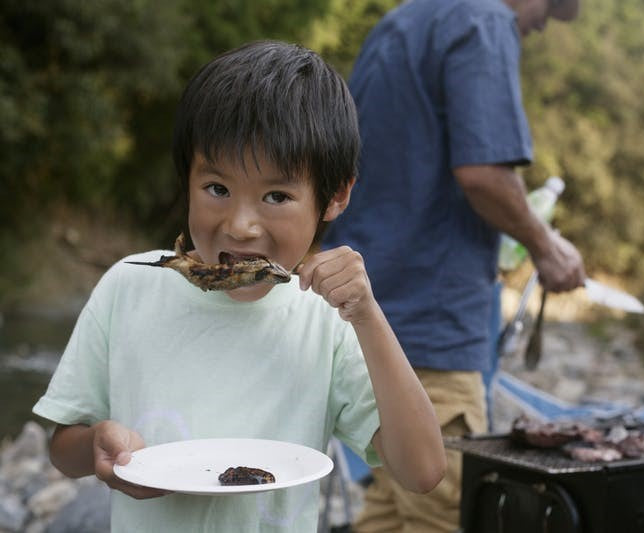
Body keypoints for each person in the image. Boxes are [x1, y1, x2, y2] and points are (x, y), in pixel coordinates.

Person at [32, 40, 445, 533]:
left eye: (276, 195)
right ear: (186, 178)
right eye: (217, 189)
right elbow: (63, 448)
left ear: (335, 197)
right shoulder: (129, 286)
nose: (241, 225)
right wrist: (99, 442)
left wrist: (369, 317)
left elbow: (422, 471)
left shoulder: (327, 317)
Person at [321, 0, 586, 530]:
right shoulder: (484, 21)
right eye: (549, 12)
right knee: (441, 510)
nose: (538, 27)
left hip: (367, 321)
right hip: (431, 328)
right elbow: (484, 172)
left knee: (389, 509)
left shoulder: (399, 23)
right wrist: (547, 245)